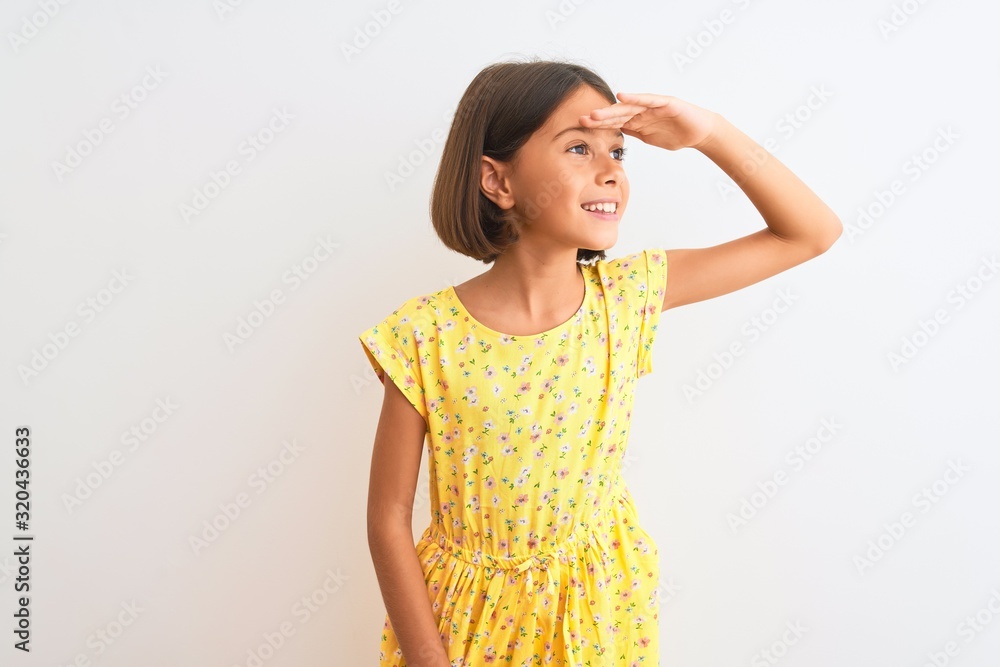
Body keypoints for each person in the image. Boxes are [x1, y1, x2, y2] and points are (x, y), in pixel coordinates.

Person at [359, 57, 842, 666]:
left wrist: (710, 133)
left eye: (619, 152)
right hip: (465, 622)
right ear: (497, 181)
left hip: (597, 611)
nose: (611, 171)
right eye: (579, 148)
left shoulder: (628, 297)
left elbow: (811, 232)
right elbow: (388, 517)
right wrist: (429, 658)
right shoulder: (423, 335)